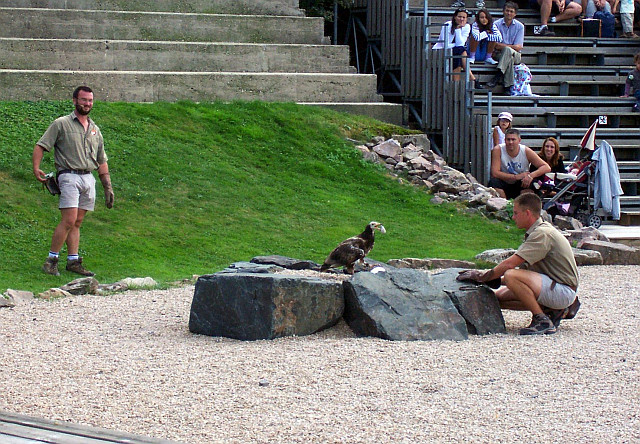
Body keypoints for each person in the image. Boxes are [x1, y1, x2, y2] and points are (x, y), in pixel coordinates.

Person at [457, 193, 580, 335]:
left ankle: (542, 321)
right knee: (496, 299)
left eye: (516, 213)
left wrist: (483, 276)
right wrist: (491, 281)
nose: (513, 217)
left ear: (527, 213)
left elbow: (511, 265)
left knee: (511, 275)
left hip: (563, 291)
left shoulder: (542, 234)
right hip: (553, 286)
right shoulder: (537, 231)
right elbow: (526, 277)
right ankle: (553, 310)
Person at [33, 86, 114, 277]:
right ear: (74, 101)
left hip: (88, 177)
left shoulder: (95, 129)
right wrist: (36, 168)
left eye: (90, 100)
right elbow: (41, 146)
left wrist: (107, 186)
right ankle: (51, 260)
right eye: (84, 100)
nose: (87, 103)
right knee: (68, 220)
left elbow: (101, 160)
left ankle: (73, 261)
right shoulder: (61, 124)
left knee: (77, 221)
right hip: (68, 175)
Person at [488, 128, 551, 199]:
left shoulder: (525, 150)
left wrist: (531, 176)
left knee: (530, 184)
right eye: (508, 139)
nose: (510, 142)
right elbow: (495, 173)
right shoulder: (498, 150)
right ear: (504, 140)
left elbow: (546, 167)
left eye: (513, 139)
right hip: (504, 181)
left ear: (519, 140)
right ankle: (503, 206)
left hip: (521, 183)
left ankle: (524, 206)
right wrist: (515, 177)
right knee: (494, 182)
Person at [486, 2, 525, 91]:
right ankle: (507, 86)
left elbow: (519, 47)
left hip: (516, 55)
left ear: (515, 14)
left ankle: (498, 75)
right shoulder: (496, 24)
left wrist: (504, 46)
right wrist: (510, 47)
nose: (509, 13)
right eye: (507, 11)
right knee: (509, 58)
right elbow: (495, 45)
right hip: (499, 54)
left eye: (511, 11)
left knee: (508, 51)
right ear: (503, 11)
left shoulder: (520, 26)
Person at [433, 8, 477, 82]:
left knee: (459, 55)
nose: (462, 19)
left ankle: (456, 83)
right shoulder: (447, 25)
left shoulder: (467, 27)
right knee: (461, 51)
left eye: (464, 17)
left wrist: (458, 30)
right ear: (455, 17)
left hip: (455, 52)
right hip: (440, 51)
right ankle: (471, 77)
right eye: (459, 17)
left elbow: (461, 44)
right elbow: (445, 44)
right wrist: (457, 29)